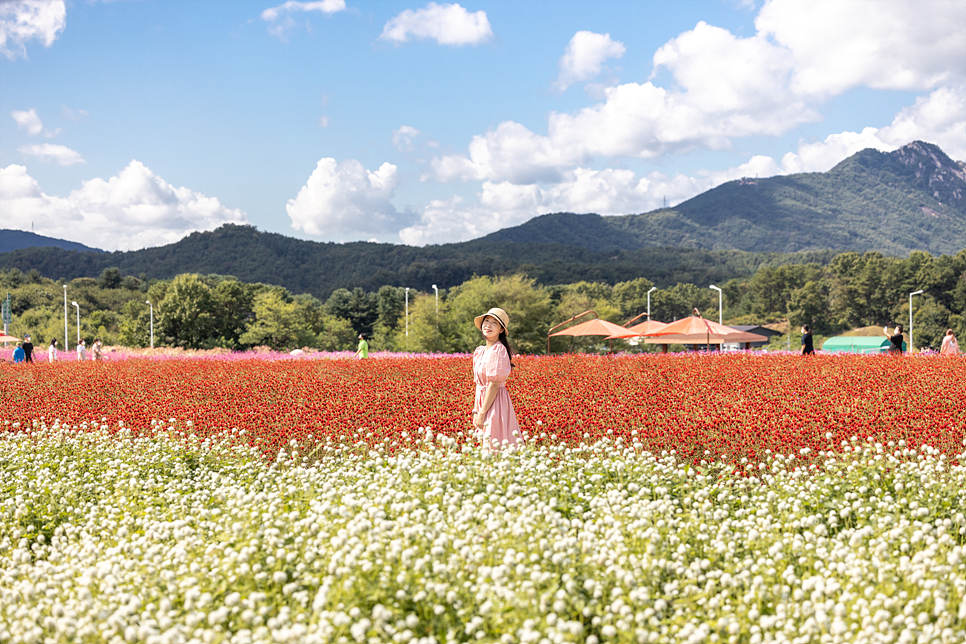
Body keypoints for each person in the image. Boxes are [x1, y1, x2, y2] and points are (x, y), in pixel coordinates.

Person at [472, 307, 520, 450]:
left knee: (494, 444)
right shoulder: (480, 351)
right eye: (486, 321)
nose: (488, 325)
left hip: (494, 402)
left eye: (494, 323)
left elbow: (493, 384)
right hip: (482, 402)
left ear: (501, 330)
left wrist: (482, 413)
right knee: (485, 446)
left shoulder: (498, 350)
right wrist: (476, 410)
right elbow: (479, 385)